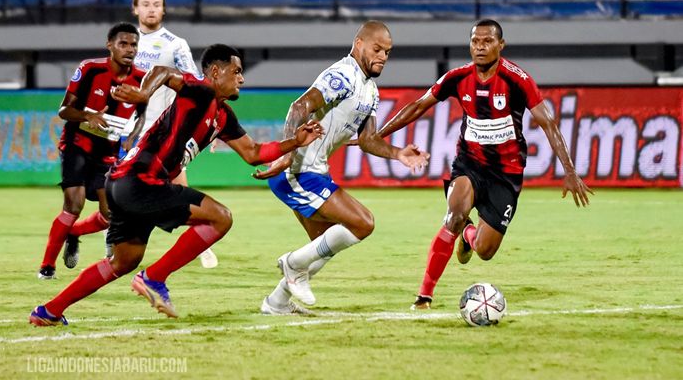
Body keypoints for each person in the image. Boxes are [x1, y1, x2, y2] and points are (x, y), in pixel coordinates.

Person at [29, 44, 323, 326]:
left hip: (123, 183)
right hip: (140, 181)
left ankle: (49, 311)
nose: (242, 79)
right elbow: (163, 71)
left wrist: (295, 142)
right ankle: (154, 277)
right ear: (216, 72)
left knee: (122, 262)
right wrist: (144, 93)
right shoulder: (200, 90)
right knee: (221, 217)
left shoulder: (222, 115)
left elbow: (254, 153)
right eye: (236, 71)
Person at [377, 19, 593, 310]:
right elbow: (417, 106)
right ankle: (424, 296)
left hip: (506, 172)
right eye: (475, 41)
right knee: (453, 214)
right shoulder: (456, 77)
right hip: (469, 164)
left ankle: (469, 235)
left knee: (485, 251)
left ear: (500, 45)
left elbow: (548, 123)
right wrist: (376, 137)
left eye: (487, 41)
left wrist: (569, 170)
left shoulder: (518, 80)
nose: (480, 47)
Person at [254, 21, 430, 315]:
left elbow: (369, 140)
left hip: (314, 172)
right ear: (358, 43)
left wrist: (399, 153)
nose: (383, 57)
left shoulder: (370, 90)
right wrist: (287, 150)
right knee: (363, 223)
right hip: (297, 172)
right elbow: (299, 107)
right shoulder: (342, 75)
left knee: (322, 247)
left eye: (387, 52)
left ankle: (276, 302)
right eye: (377, 49)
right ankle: (292, 264)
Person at [116, 0, 219, 268]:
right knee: (117, 190)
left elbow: (197, 85)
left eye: (156, 4)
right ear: (135, 9)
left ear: (163, 9)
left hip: (163, 132)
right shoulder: (123, 44)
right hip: (126, 131)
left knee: (177, 187)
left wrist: (212, 125)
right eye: (145, 4)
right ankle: (115, 247)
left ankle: (200, 242)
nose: (151, 9)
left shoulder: (175, 44)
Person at [37, 22, 146, 280]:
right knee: (74, 204)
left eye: (133, 44)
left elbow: (143, 114)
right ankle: (47, 266)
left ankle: (73, 234)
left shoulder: (142, 79)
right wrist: (88, 115)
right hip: (78, 143)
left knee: (110, 214)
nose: (129, 49)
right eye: (123, 43)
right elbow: (64, 110)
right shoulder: (89, 69)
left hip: (107, 151)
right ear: (110, 45)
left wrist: (132, 136)